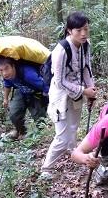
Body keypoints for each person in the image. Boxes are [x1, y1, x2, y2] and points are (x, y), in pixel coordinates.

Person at [41, 11, 97, 178]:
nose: (83, 33)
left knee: (73, 128)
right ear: (69, 31)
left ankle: (74, 155)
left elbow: (86, 68)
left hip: (77, 92)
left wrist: (91, 90)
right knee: (62, 135)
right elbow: (59, 81)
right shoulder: (61, 51)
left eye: (86, 29)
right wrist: (83, 90)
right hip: (60, 96)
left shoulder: (86, 44)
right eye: (79, 30)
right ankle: (46, 169)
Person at [0, 56, 48, 139]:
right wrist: (5, 99)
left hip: (37, 92)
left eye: (6, 68)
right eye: (0, 70)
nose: (4, 73)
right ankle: (21, 132)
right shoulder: (7, 76)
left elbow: (45, 86)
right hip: (21, 91)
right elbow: (7, 85)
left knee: (39, 118)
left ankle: (40, 136)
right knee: (14, 113)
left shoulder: (28, 74)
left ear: (13, 66)